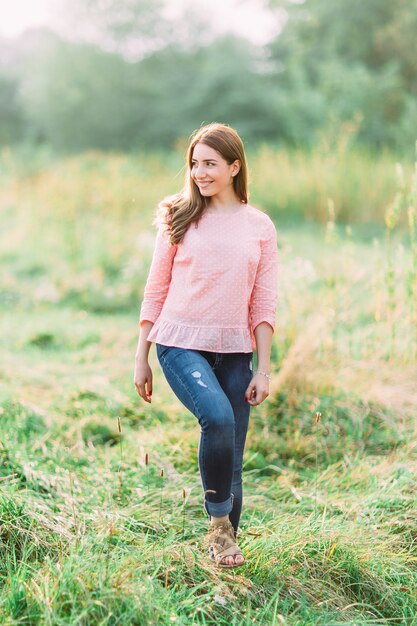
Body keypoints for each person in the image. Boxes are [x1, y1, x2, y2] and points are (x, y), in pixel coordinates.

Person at [134, 122, 278, 568]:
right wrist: (141, 355)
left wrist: (263, 367)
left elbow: (264, 300)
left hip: (236, 349)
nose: (200, 172)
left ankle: (225, 548)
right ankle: (218, 527)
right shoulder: (179, 215)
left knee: (232, 455)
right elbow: (155, 289)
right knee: (216, 418)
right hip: (179, 343)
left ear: (235, 167)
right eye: (195, 163)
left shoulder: (259, 225)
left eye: (210, 164)